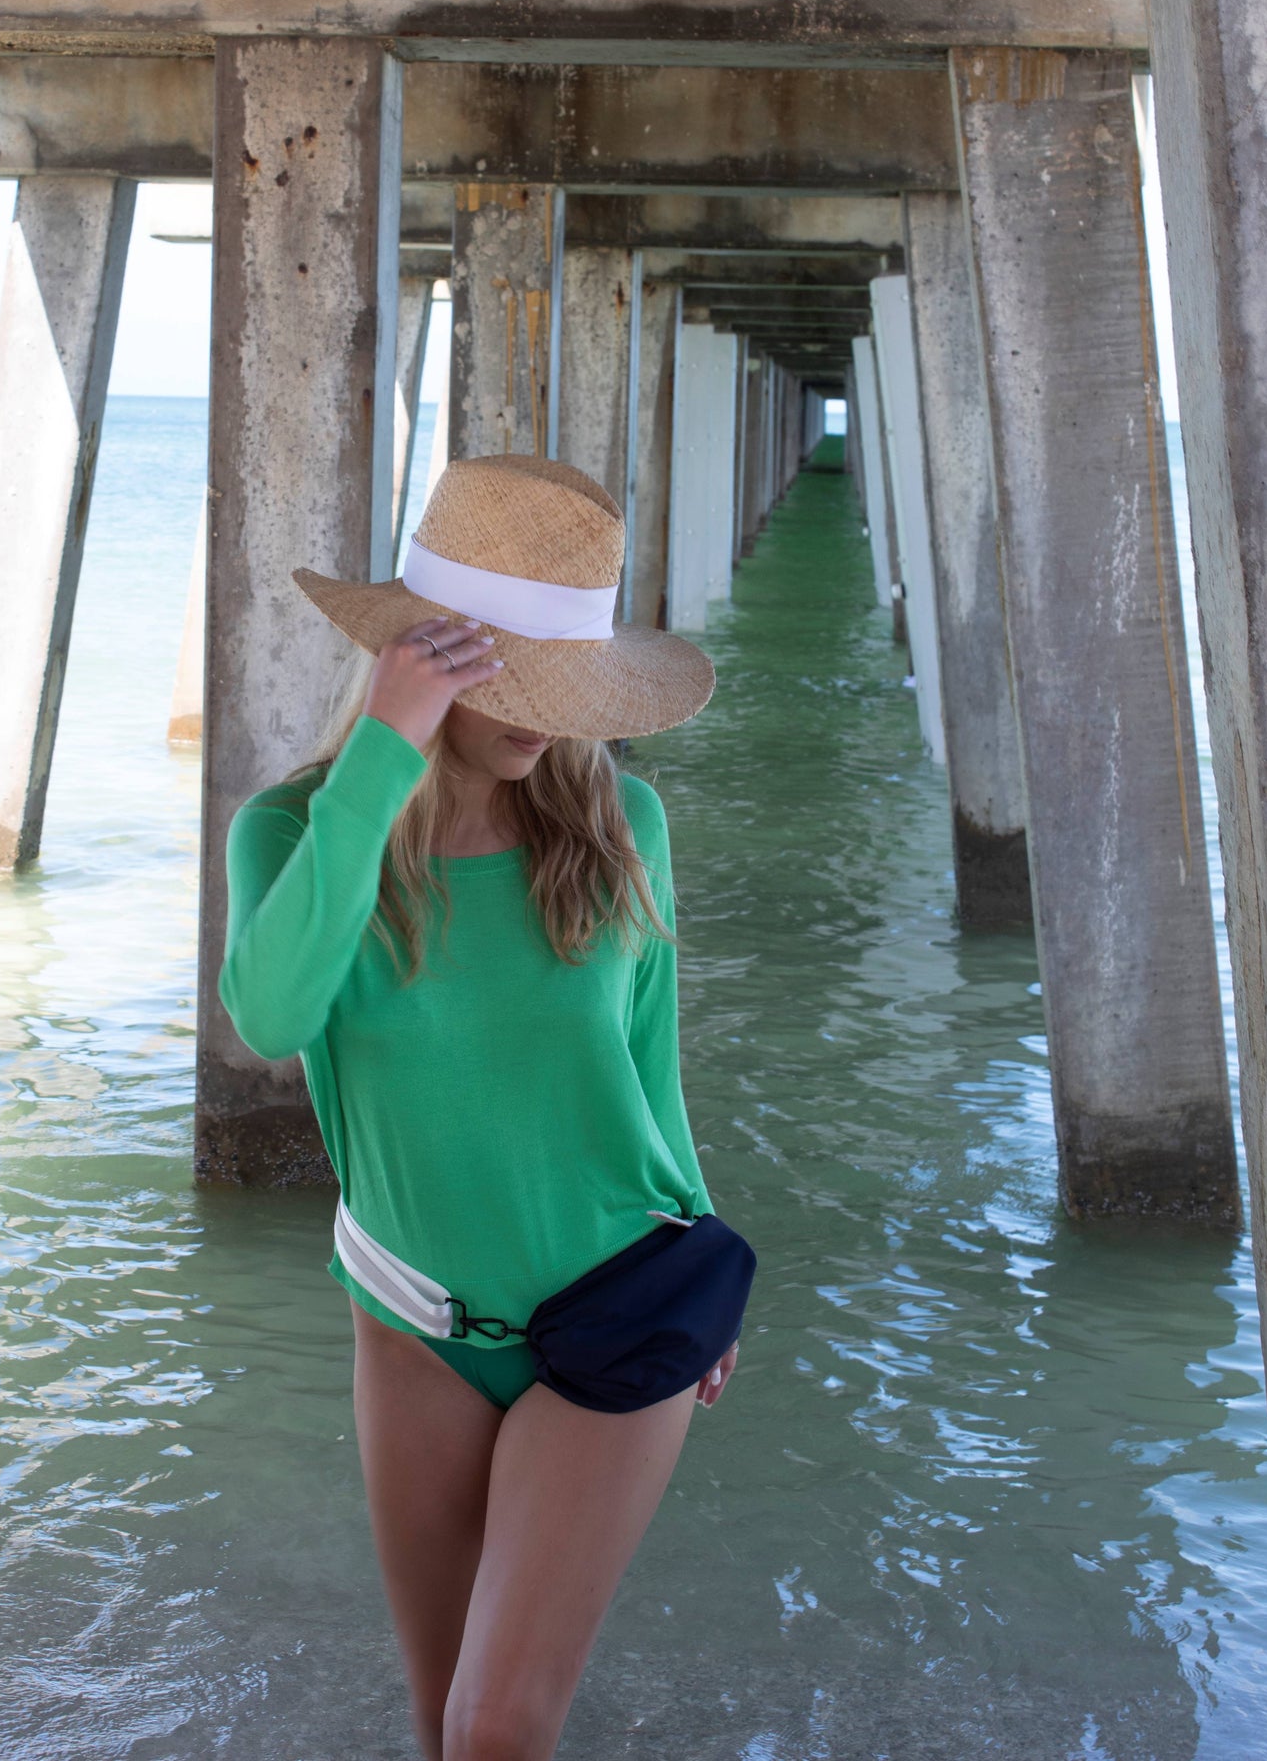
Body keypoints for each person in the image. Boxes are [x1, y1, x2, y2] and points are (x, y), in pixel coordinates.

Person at [218, 453, 752, 1761]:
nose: (545, 718)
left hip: (619, 1310)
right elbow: (271, 1018)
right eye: (510, 682)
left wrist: (699, 1249)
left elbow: (645, 1065)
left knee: (499, 1728)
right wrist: (382, 761)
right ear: (418, 664)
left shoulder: (621, 822)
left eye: (566, 688)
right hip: (412, 1329)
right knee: (437, 1719)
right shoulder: (292, 832)